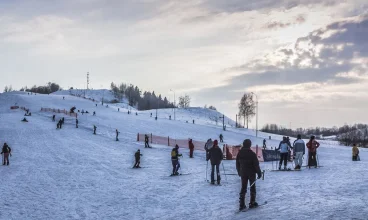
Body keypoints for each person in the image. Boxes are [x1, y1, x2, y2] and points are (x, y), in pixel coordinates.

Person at [236, 139, 262, 210]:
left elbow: (237, 164)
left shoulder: (240, 153)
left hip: (243, 173)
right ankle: (252, 202)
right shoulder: (252, 154)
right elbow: (256, 165)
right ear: (249, 145)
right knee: (252, 187)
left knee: (243, 187)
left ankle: (241, 204)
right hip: (251, 173)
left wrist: (239, 171)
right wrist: (259, 173)